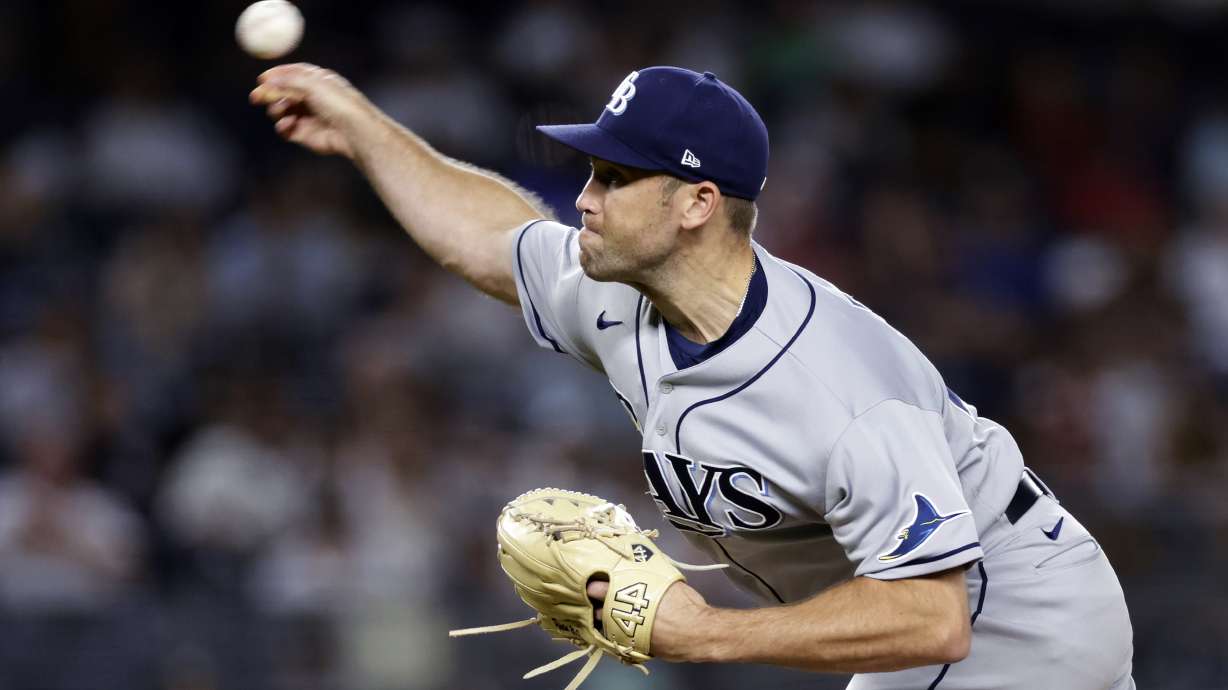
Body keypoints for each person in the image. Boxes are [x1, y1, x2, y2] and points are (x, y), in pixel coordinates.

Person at [250, 63, 1135, 690]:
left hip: (1010, 622)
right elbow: (491, 240)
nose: (584, 200)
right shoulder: (617, 293)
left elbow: (929, 617)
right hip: (941, 624)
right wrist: (363, 130)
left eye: (613, 176)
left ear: (697, 204)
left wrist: (704, 635)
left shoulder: (839, 389)